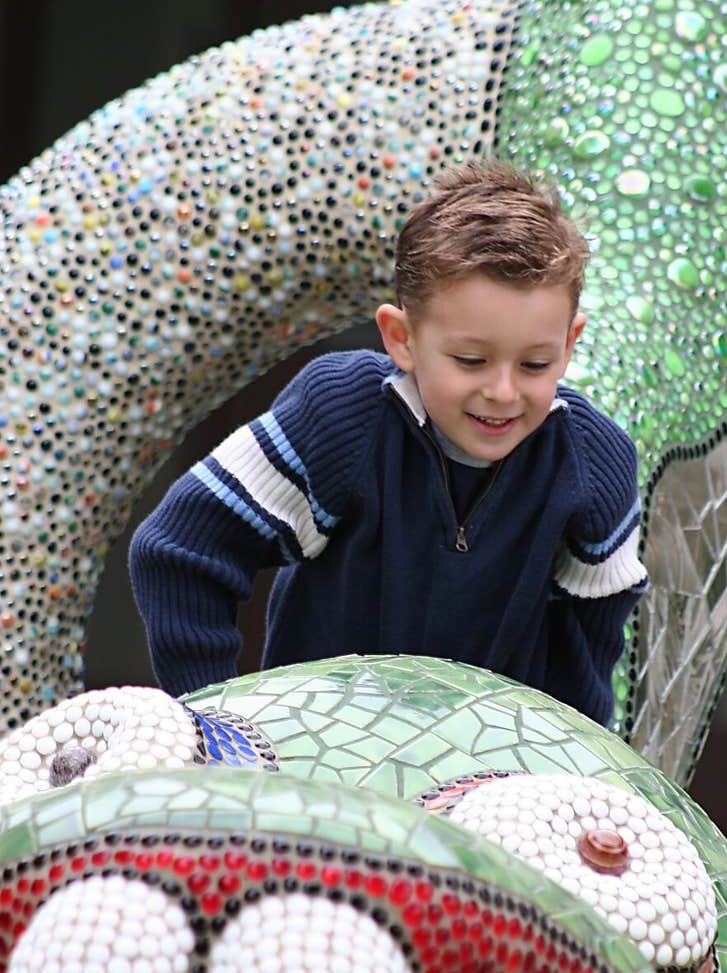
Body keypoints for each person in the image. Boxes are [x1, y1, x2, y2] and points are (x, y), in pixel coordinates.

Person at [129, 160, 648, 725]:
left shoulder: (595, 463)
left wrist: (571, 783)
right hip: (318, 768)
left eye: (535, 364)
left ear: (570, 344)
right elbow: (178, 551)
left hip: (489, 786)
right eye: (470, 360)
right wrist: (215, 729)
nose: (502, 391)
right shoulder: (340, 414)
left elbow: (590, 650)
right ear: (401, 338)